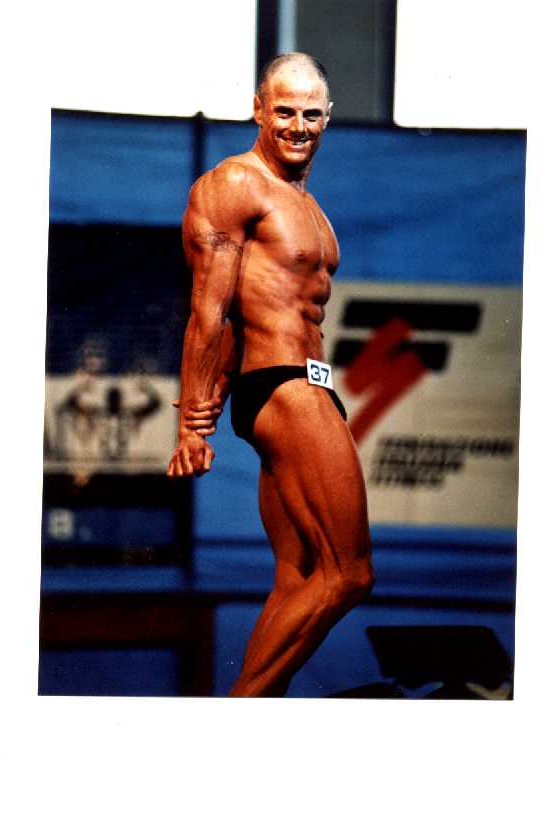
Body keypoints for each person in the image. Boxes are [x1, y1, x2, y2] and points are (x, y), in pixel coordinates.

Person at [167, 53, 374, 697]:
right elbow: (210, 313)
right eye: (284, 111)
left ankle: (252, 717)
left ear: (327, 118)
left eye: (310, 114)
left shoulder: (307, 206)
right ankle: (240, 715)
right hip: (284, 386)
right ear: (258, 109)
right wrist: (192, 423)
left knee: (299, 578)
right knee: (349, 573)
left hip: (300, 383)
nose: (297, 126)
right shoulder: (235, 184)